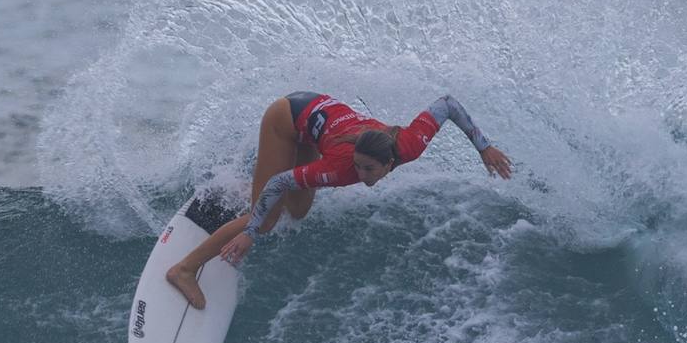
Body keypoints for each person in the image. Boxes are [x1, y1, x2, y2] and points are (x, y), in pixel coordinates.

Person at [166, 91, 513, 309]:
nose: (362, 176)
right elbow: (280, 180)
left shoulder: (408, 143)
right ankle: (183, 269)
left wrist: (484, 146)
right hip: (286, 117)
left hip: (313, 121)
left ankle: (246, 188)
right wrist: (252, 231)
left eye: (369, 170)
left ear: (390, 163)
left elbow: (448, 104)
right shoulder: (338, 168)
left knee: (298, 210)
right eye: (358, 167)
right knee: (268, 218)